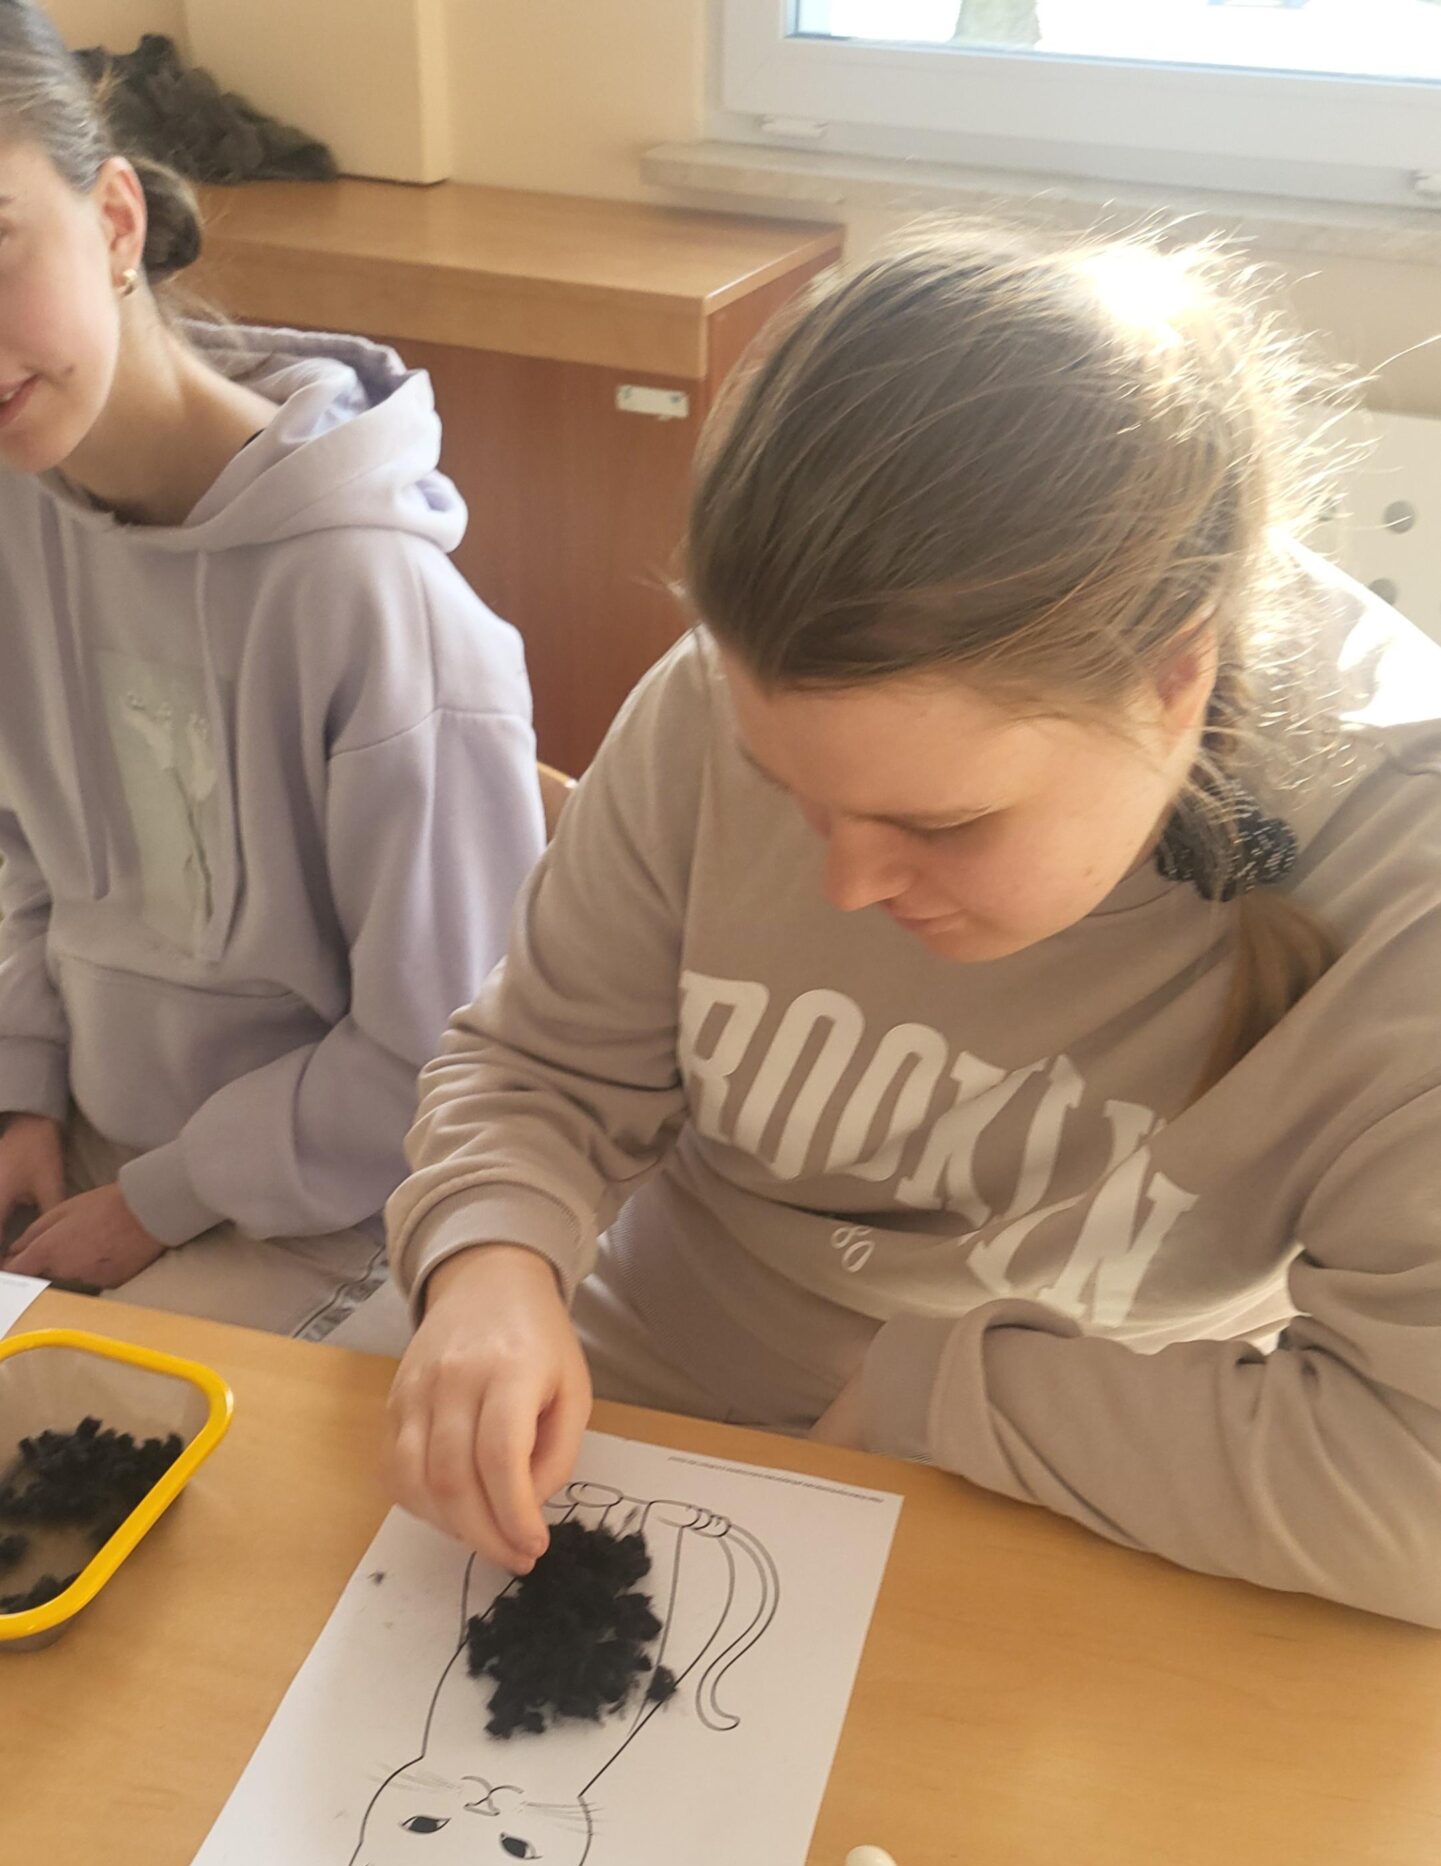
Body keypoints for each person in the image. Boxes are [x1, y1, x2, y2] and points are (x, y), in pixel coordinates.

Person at [383, 227, 1441, 1625]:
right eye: (788, 796)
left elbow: (1416, 1487)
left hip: (1102, 1494)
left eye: (942, 824)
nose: (843, 888)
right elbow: (539, 1068)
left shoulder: (1407, 872)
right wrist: (490, 1264)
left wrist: (941, 1395)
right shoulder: (732, 688)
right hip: (640, 1410)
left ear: (1172, 682)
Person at [0, 0, 543, 1336]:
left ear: (114, 222)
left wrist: (163, 1198)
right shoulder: (19, 503)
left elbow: (444, 1053)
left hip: (333, 1207)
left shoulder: (374, 600)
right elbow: (17, 837)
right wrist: (23, 1080)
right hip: (89, 1136)